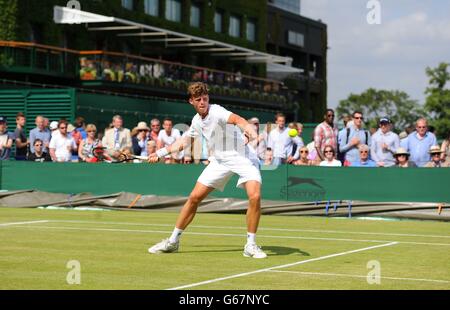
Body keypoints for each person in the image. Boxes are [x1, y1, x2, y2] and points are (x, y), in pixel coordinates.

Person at [147, 82, 266, 259]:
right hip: (219, 161)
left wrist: (250, 131)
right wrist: (160, 152)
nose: (203, 102)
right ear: (191, 102)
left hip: (243, 157)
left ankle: (251, 244)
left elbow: (239, 120)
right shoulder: (196, 121)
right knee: (194, 197)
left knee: (255, 196)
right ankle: (173, 241)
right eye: (198, 99)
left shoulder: (217, 111)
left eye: (205, 98)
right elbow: (184, 142)